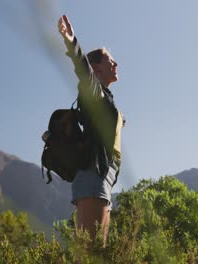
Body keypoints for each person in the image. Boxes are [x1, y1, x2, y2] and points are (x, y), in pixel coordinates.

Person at [58, 14, 124, 247]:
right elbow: (83, 71)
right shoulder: (92, 92)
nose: (116, 64)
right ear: (96, 69)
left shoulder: (105, 98)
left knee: (98, 252)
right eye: (110, 61)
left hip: (103, 175)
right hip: (93, 174)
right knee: (90, 252)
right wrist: (72, 42)